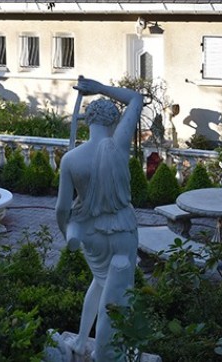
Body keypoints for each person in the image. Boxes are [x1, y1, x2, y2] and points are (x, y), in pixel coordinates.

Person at [56, 77, 143, 361]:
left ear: (87, 120)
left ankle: (82, 341)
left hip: (90, 233)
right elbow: (135, 98)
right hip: (122, 230)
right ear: (113, 122)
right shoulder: (118, 146)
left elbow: (62, 209)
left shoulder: (71, 159)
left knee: (99, 282)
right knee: (116, 297)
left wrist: (65, 233)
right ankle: (108, 354)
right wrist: (100, 88)